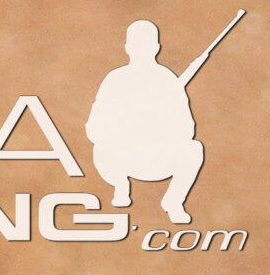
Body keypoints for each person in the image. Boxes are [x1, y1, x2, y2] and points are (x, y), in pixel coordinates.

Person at [90, 21, 210, 224]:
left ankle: (173, 201)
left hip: (158, 157)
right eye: (137, 45)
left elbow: (187, 128)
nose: (141, 51)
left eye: (145, 46)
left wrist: (159, 124)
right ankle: (120, 185)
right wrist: (124, 126)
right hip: (122, 157)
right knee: (101, 148)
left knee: (194, 149)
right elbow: (94, 125)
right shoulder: (115, 79)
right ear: (127, 48)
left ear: (156, 48)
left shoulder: (167, 79)